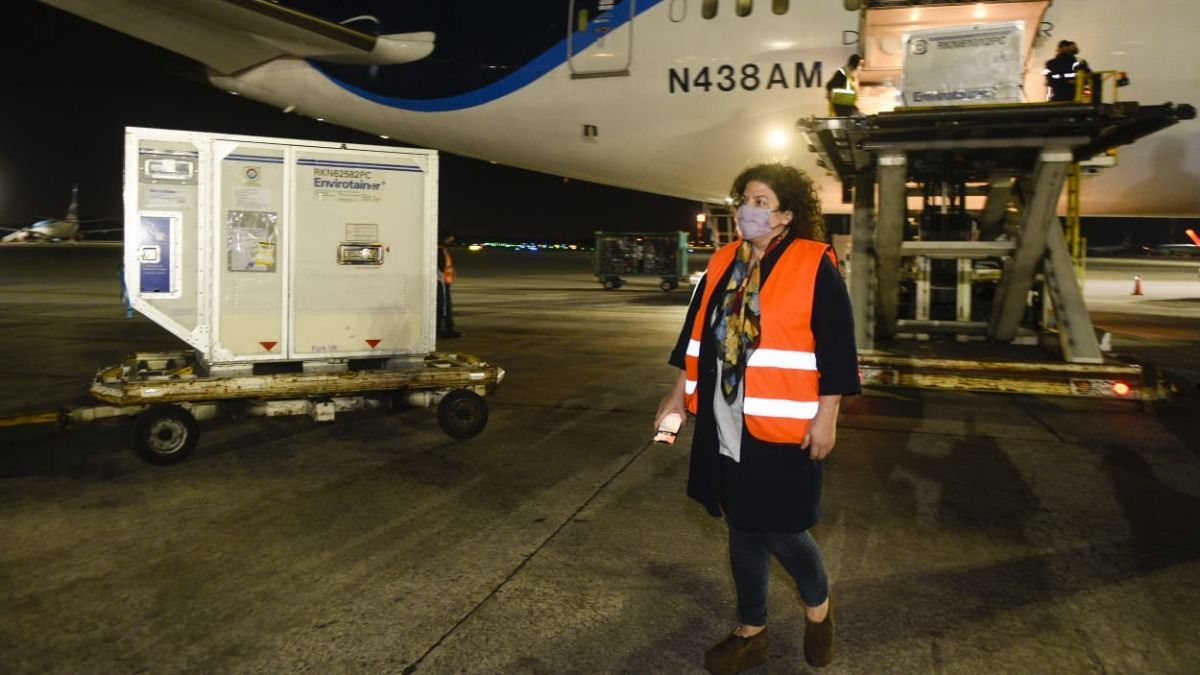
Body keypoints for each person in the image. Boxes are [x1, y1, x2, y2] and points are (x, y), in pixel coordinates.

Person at [655, 163, 860, 674]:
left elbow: (838, 350)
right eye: (745, 198)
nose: (748, 208)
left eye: (762, 201)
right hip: (726, 422)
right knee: (742, 529)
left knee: (784, 530)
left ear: (787, 215)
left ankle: (819, 614)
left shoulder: (814, 264)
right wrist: (676, 396)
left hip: (784, 425)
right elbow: (695, 341)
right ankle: (752, 633)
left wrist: (827, 416)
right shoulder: (723, 261)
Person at [436, 233, 461, 338]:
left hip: (444, 282)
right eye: (450, 240)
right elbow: (440, 268)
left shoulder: (442, 249)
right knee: (444, 307)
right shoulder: (440, 250)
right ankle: (444, 330)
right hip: (441, 283)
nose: (451, 242)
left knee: (444, 306)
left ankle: (445, 329)